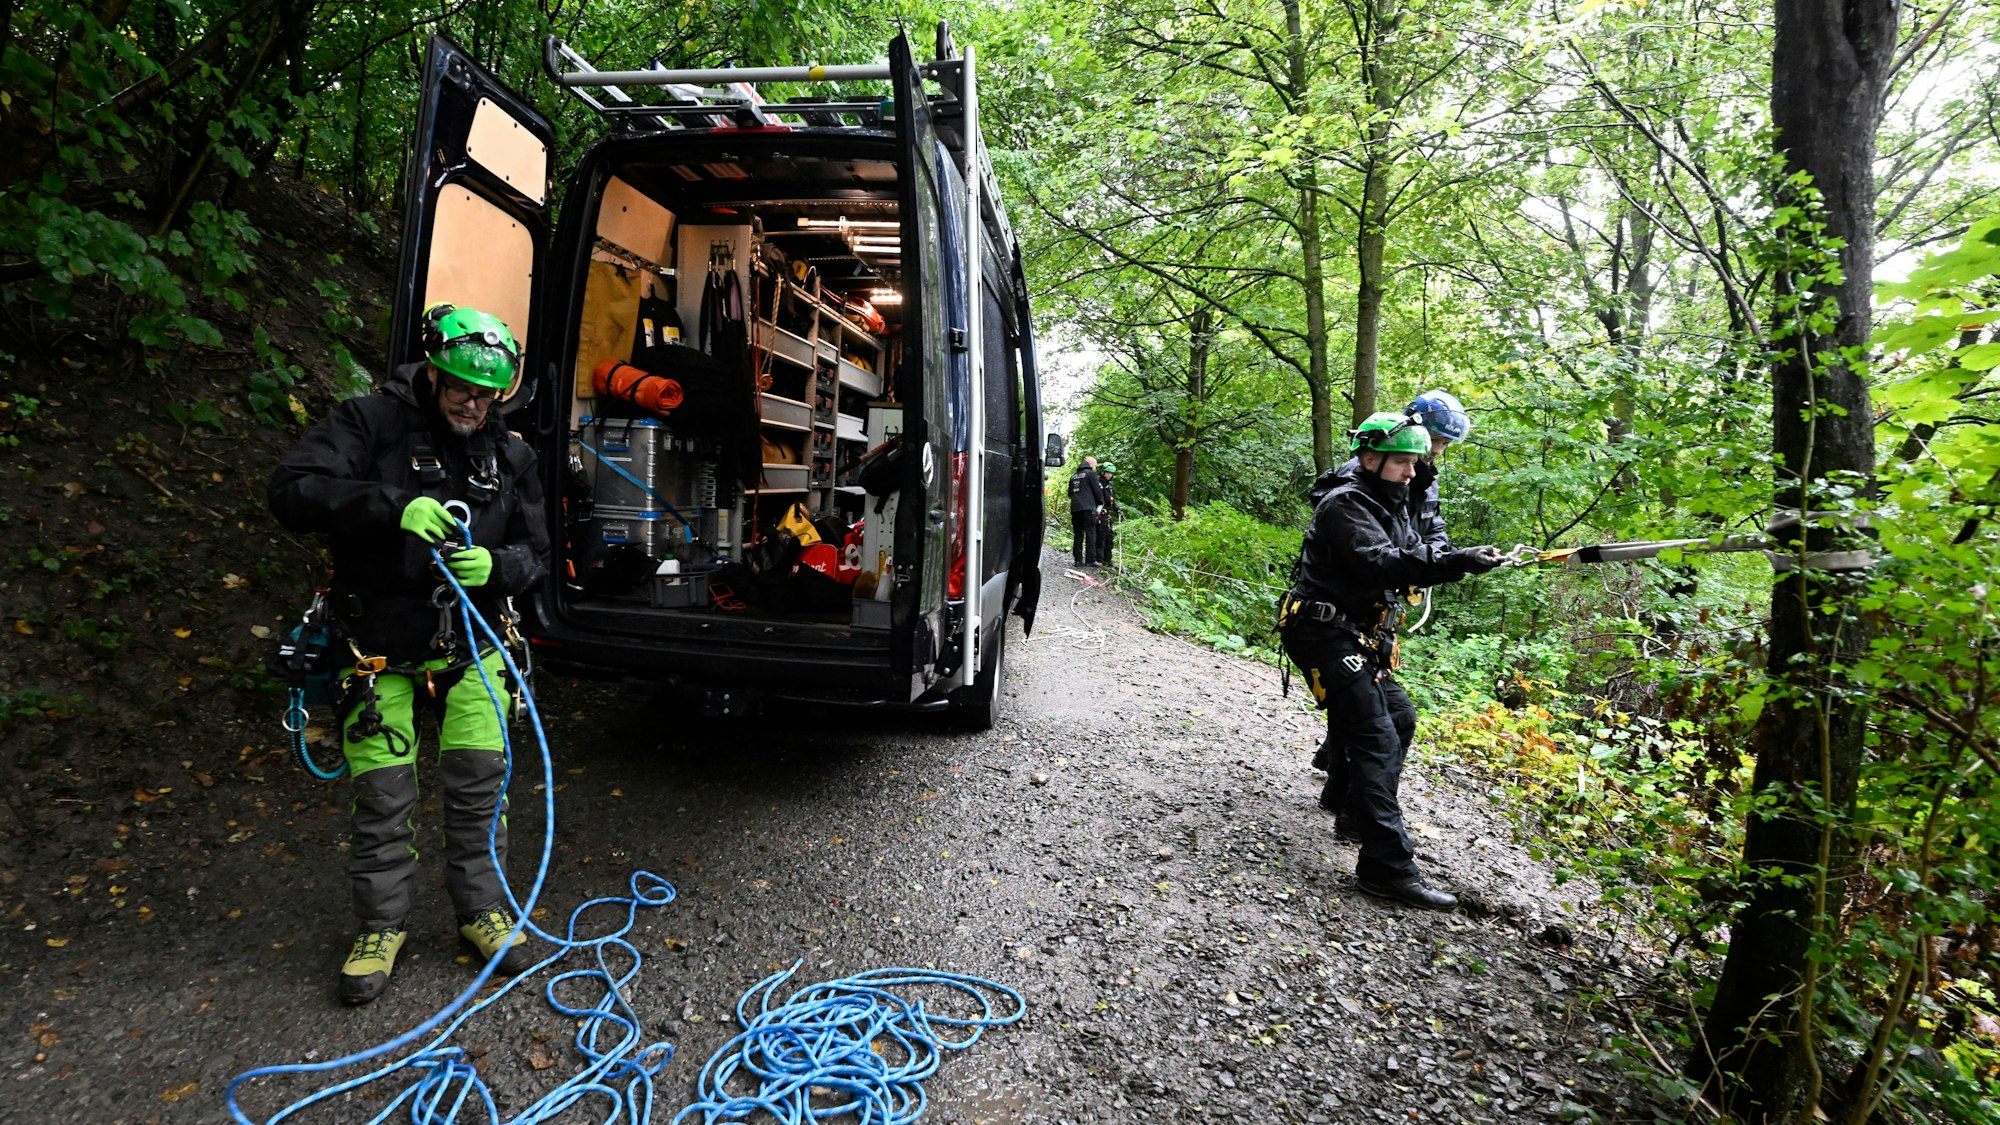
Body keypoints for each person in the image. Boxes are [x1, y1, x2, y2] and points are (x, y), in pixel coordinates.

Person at [268, 304, 550, 1004]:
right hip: (377, 653)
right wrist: (391, 505)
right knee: (383, 799)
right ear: (432, 370)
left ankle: (482, 910)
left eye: (487, 394)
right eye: (460, 387)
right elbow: (293, 490)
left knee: (481, 788)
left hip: (474, 650)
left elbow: (539, 553)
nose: (472, 404)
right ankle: (381, 925)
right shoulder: (370, 424)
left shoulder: (510, 454)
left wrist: (500, 565)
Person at [1279, 412, 1504, 911]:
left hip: (1359, 634)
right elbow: (1382, 562)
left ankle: (1356, 815)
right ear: (1371, 457)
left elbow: (1425, 544)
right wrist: (1455, 562)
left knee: (1399, 718)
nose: (1411, 471)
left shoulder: (1396, 501)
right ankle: (1386, 867)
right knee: (1375, 733)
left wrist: (1460, 557)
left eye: (1415, 462)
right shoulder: (1347, 504)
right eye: (1402, 462)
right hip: (1322, 633)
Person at [1306, 388, 1471, 555]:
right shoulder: (1361, 475)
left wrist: (1436, 561)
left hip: (1408, 573)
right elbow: (1373, 555)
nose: (1437, 451)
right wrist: (1430, 563)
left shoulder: (1427, 480)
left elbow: (1434, 528)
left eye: (1445, 444)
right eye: (1433, 439)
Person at [1067, 456, 1108, 566]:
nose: (1095, 467)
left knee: (1078, 534)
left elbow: (1070, 493)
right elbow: (1097, 491)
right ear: (1090, 464)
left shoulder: (1073, 476)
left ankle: (1078, 560)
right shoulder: (1091, 474)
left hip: (1075, 508)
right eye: (1095, 465)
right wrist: (1100, 502)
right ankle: (1090, 560)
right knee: (1091, 532)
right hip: (1088, 508)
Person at [1094, 462, 1120, 567]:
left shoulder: (1110, 486)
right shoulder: (1097, 484)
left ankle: (1108, 559)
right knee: (1101, 538)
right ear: (1103, 472)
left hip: (1107, 515)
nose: (1109, 475)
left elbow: (1112, 501)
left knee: (1109, 538)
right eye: (1107, 473)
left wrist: (1117, 510)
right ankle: (1099, 559)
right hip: (1100, 514)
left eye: (1111, 474)